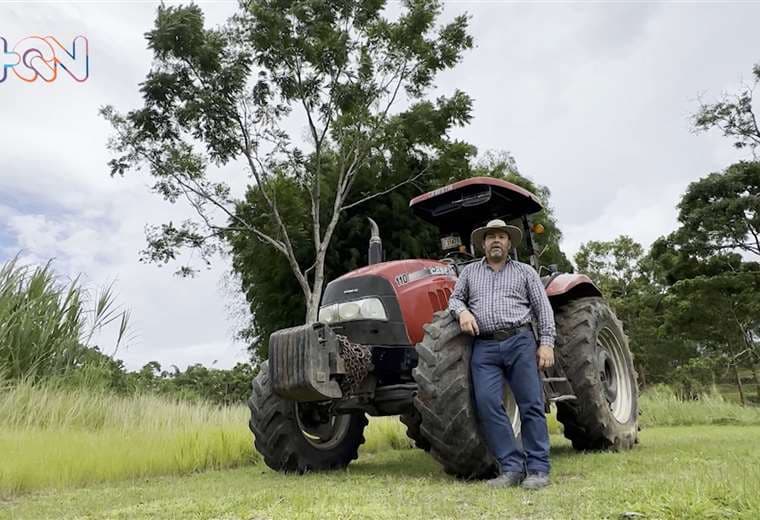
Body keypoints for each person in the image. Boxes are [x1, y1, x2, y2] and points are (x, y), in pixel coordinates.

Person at [447, 218, 555, 490]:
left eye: (502, 237)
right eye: (491, 237)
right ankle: (511, 468)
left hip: (520, 341)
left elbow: (543, 309)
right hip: (484, 346)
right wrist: (462, 312)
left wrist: (546, 343)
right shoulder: (470, 273)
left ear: (509, 243)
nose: (496, 240)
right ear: (483, 243)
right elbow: (455, 299)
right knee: (487, 404)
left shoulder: (525, 272)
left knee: (530, 404)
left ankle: (538, 469)